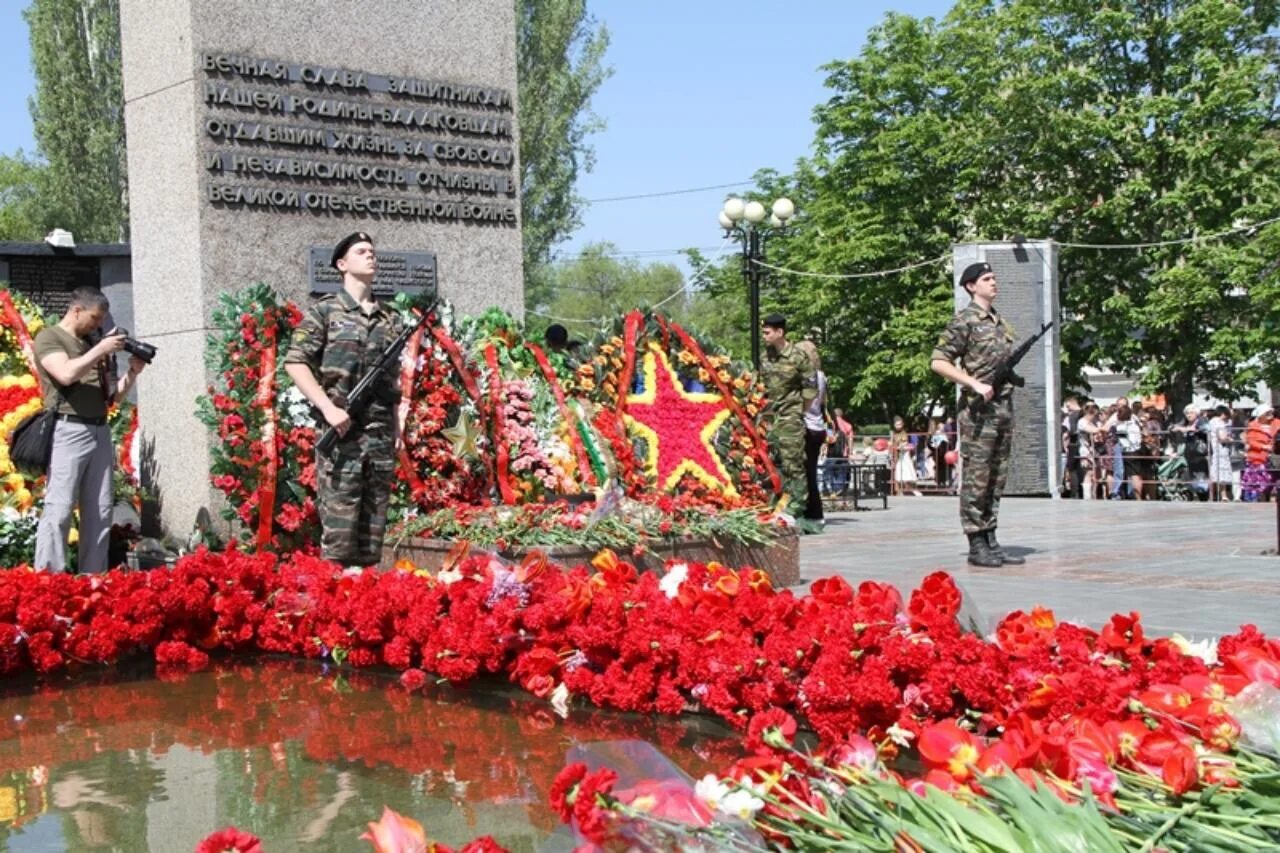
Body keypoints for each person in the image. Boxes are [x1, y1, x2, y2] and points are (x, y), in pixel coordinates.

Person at [285, 232, 404, 567]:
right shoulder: (325, 312)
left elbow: (391, 382)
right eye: (361, 251)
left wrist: (396, 427)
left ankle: (365, 604)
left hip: (378, 435)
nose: (371, 256)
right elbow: (295, 362)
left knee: (372, 535)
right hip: (341, 435)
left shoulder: (390, 319)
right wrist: (327, 407)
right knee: (338, 537)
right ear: (342, 264)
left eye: (372, 252)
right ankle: (332, 606)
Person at [33, 286, 146, 573]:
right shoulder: (50, 337)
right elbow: (66, 374)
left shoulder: (88, 345)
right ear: (77, 310)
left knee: (99, 511)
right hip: (68, 429)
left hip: (99, 430)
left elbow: (112, 399)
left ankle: (92, 579)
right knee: (59, 509)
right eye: (94, 318)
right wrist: (101, 349)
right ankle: (49, 580)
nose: (97, 325)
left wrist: (132, 373)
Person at [929, 261, 1025, 568]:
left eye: (994, 278)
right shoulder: (964, 321)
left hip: (1002, 408)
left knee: (996, 476)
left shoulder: (999, 322)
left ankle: (990, 537)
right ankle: (975, 542)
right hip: (978, 411)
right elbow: (938, 362)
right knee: (976, 477)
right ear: (972, 286)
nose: (994, 283)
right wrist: (973, 383)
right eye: (987, 279)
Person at [759, 313, 818, 529]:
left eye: (767, 332)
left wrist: (797, 413)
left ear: (779, 332)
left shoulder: (798, 357)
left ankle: (796, 507)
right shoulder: (766, 356)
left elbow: (811, 389)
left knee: (793, 463)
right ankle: (777, 503)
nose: (764, 336)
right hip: (769, 419)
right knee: (773, 462)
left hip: (790, 417)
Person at [797, 339, 828, 526]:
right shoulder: (821, 376)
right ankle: (815, 511)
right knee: (811, 471)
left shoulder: (803, 376)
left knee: (803, 473)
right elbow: (822, 402)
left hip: (806, 425)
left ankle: (813, 512)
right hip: (818, 427)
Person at [1242, 404, 1278, 501]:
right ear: (1261, 415)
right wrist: (1264, 446)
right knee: (1258, 484)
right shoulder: (1253, 426)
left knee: (1274, 483)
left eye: (1271, 412)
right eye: (1267, 413)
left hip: (1275, 459)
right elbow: (1251, 441)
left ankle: (1272, 502)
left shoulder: (1277, 423)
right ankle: (1258, 502)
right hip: (1257, 459)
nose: (1270, 414)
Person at [1207, 405, 1235, 502]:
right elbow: (1222, 437)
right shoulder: (1219, 422)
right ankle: (1223, 495)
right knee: (1221, 472)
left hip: (1213, 449)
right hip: (1221, 449)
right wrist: (1230, 439)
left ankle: (1211, 495)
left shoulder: (1211, 422)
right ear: (1223, 414)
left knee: (1214, 473)